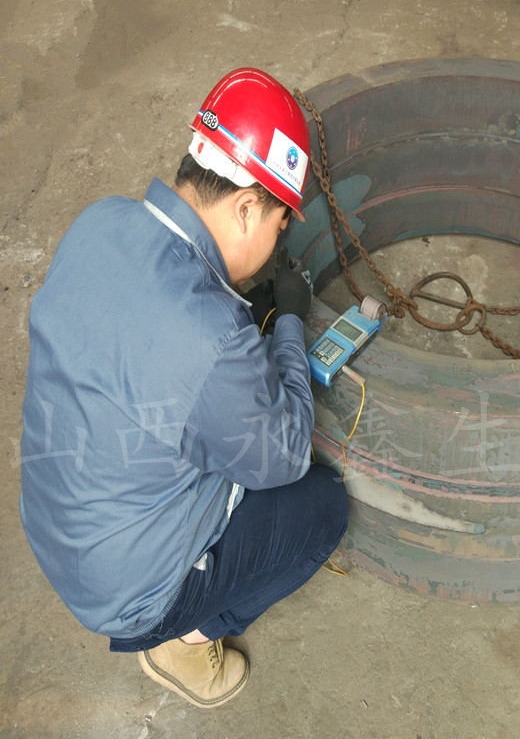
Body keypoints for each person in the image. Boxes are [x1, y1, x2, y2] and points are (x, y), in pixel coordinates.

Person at [19, 68, 349, 708]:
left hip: (59, 526)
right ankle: (184, 642)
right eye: (280, 224)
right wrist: (286, 322)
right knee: (320, 504)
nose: (278, 238)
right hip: (126, 593)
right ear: (246, 207)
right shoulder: (212, 336)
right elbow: (282, 456)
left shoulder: (99, 221)